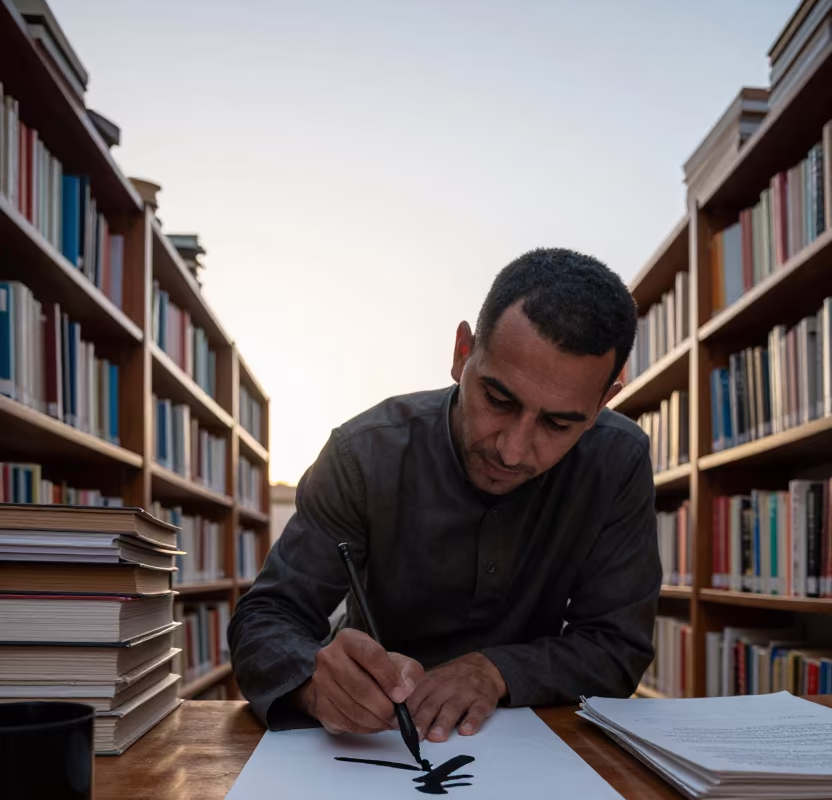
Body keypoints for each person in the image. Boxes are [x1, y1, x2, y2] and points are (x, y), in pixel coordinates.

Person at [229, 247, 662, 744]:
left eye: (559, 424)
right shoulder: (361, 456)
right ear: (462, 354)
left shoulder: (618, 460)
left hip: (534, 743)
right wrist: (312, 682)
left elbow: (617, 647)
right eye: (499, 400)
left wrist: (496, 670)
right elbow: (266, 618)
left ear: (603, 403)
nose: (513, 450)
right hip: (373, 743)